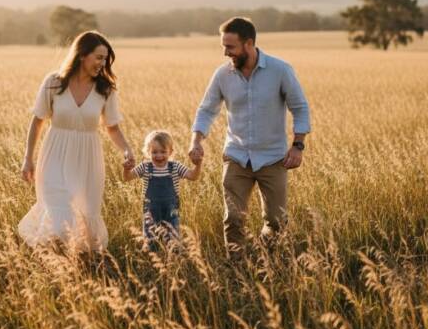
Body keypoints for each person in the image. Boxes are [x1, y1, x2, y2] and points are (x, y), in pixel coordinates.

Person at [189, 17, 311, 259]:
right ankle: (237, 268)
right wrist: (195, 140)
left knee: (276, 222)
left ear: (249, 43)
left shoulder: (280, 70)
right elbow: (206, 110)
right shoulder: (222, 75)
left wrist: (298, 146)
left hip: (273, 158)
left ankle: (265, 260)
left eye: (230, 47)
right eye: (223, 46)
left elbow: (300, 107)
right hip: (236, 156)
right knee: (233, 218)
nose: (225, 53)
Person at [18, 31, 135, 252]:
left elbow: (112, 127)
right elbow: (37, 121)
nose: (102, 63)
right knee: (58, 211)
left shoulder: (105, 89)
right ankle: (51, 261)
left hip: (87, 161)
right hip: (54, 155)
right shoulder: (54, 82)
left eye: (105, 59)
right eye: (98, 57)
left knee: (84, 214)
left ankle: (78, 267)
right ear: (82, 55)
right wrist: (28, 159)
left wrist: (127, 150)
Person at [123, 130, 201, 250]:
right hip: (151, 209)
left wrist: (198, 165)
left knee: (174, 235)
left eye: (163, 152)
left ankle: (174, 261)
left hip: (172, 208)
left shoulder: (175, 167)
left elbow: (193, 176)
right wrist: (126, 169)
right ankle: (154, 261)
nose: (159, 156)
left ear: (170, 152)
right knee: (151, 238)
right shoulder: (145, 167)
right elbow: (127, 178)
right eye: (154, 152)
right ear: (148, 152)